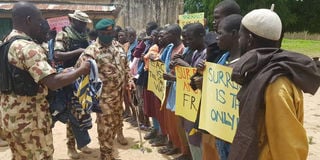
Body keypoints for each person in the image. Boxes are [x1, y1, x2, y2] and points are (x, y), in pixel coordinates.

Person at [0, 2, 90, 159]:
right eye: (39, 20)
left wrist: (68, 71)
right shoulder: (28, 47)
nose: (42, 24)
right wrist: (81, 70)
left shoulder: (6, 43)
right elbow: (53, 82)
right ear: (28, 20)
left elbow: (26, 75)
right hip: (30, 122)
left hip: (11, 118)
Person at [228, 9, 320, 160]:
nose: (239, 42)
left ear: (250, 39)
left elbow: (287, 147)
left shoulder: (276, 85)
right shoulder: (262, 71)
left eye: (240, 37)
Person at [75, 18, 135, 160]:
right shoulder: (91, 51)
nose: (107, 35)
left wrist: (130, 80)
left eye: (109, 32)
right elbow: (79, 72)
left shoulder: (119, 47)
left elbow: (126, 67)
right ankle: (106, 155)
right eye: (103, 32)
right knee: (106, 129)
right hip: (103, 100)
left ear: (113, 32)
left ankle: (108, 152)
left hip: (118, 97)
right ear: (98, 33)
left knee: (114, 126)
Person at [53, 10, 93, 159]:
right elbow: (57, 55)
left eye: (85, 23)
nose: (84, 25)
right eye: (81, 22)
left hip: (83, 79)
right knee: (72, 115)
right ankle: (71, 147)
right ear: (72, 21)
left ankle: (82, 143)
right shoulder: (63, 35)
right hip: (69, 79)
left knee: (83, 113)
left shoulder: (84, 35)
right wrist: (79, 51)